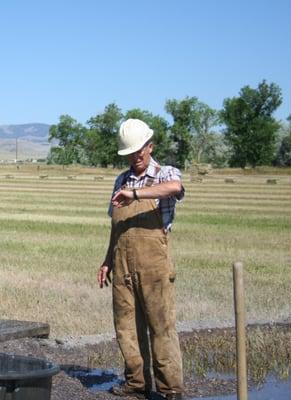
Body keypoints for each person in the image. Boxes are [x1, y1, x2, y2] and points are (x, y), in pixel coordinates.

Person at [97, 119, 185, 400]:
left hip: (154, 267)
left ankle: (169, 389)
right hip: (122, 265)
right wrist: (107, 260)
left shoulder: (165, 173)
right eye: (130, 153)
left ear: (150, 146)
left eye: (139, 151)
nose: (136, 157)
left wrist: (134, 194)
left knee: (161, 327)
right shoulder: (120, 180)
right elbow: (117, 226)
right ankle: (135, 384)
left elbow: (174, 188)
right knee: (126, 328)